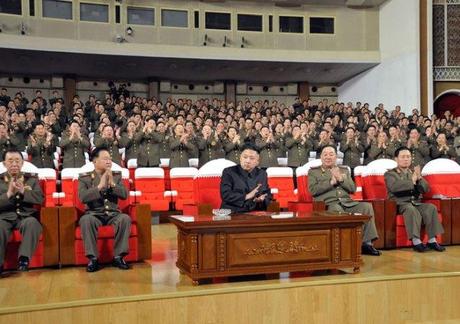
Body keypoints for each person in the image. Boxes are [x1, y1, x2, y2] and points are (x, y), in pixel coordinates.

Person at [308, 145, 381, 256]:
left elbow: (352, 189)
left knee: (366, 206)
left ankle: (366, 244)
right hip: (328, 204)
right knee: (337, 209)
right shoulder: (314, 172)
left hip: (347, 202)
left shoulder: (344, 170)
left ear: (336, 157)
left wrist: (342, 179)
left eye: (331, 154)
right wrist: (331, 182)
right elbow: (313, 191)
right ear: (321, 157)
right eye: (325, 154)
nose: (328, 157)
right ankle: (343, 246)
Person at [78, 147, 131, 272]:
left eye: (110, 159)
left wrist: (113, 184)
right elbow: (82, 197)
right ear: (95, 161)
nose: (109, 162)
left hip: (113, 214)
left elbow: (124, 194)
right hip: (94, 214)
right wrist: (100, 186)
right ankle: (93, 259)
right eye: (105, 159)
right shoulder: (85, 178)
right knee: (86, 220)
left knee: (125, 218)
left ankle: (119, 257)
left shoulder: (116, 176)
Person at [384, 147, 445, 252]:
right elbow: (394, 187)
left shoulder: (413, 172)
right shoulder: (390, 174)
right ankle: (416, 242)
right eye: (403, 157)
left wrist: (419, 177)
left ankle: (432, 240)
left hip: (415, 202)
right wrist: (412, 181)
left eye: (408, 157)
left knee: (430, 208)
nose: (406, 159)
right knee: (411, 209)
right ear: (396, 159)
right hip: (399, 204)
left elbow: (426, 189)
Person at [0, 149, 44, 273]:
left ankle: (24, 259)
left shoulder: (31, 179)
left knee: (32, 223)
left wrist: (24, 192)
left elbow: (40, 199)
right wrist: (8, 194)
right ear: (4, 163)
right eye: (10, 161)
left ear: (22, 163)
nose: (14, 164)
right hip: (4, 217)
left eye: (17, 160)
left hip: (25, 216)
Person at [220, 143, 272, 213]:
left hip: (255, 212)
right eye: (245, 157)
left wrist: (262, 199)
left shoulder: (262, 174)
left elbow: (267, 194)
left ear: (257, 162)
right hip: (233, 212)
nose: (247, 161)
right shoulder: (229, 172)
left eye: (252, 158)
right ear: (240, 158)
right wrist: (246, 196)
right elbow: (226, 195)